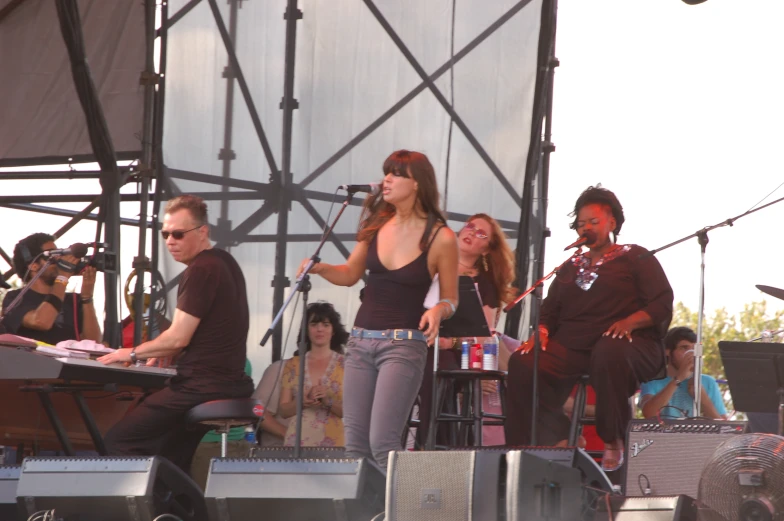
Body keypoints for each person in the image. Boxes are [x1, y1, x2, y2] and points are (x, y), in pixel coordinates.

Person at [298, 149, 458, 469]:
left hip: (402, 345)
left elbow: (451, 298)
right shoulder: (376, 224)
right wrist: (321, 268)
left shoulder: (441, 237)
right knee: (354, 446)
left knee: (382, 444)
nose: (387, 179)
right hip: (359, 343)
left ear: (416, 184)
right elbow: (349, 275)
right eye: (387, 172)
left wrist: (438, 311)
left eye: (397, 173)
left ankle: (398, 514)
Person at [504, 186, 673, 472]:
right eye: (582, 224)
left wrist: (629, 322)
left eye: (594, 221)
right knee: (523, 361)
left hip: (629, 343)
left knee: (609, 350)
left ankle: (613, 440)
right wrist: (542, 331)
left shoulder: (636, 256)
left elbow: (661, 303)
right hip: (575, 346)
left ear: (612, 223)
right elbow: (550, 311)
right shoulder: (570, 266)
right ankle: (548, 439)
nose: (587, 227)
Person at [98, 195, 254, 474]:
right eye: (166, 234)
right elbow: (208, 331)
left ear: (203, 232)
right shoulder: (224, 262)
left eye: (179, 234)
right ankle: (175, 509)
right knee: (170, 453)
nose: (170, 241)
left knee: (119, 441)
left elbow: (178, 337)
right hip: (226, 383)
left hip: (201, 386)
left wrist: (130, 353)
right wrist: (168, 351)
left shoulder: (202, 269)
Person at [417, 213, 516, 448]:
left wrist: (448, 343)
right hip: (422, 343)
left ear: (486, 250)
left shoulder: (485, 283)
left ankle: (432, 443)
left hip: (461, 354)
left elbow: (483, 336)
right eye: (470, 226)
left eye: (481, 233)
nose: (471, 232)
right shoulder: (430, 267)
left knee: (437, 366)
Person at [1, 233, 101, 344]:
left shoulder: (72, 299)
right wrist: (63, 277)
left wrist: (87, 298)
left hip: (69, 361)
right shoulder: (15, 298)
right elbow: (41, 322)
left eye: (60, 254)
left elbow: (93, 343)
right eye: (53, 256)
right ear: (33, 265)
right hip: (31, 360)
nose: (59, 259)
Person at [279, 302, 349, 447]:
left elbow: (352, 413)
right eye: (314, 324)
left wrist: (327, 401)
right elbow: (283, 410)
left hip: (334, 444)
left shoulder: (346, 365)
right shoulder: (293, 364)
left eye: (325, 325)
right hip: (297, 442)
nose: (319, 329)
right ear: (306, 329)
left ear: (333, 330)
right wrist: (302, 402)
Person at [639, 326, 727, 420]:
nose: (691, 354)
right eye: (684, 348)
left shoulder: (708, 382)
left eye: (695, 349)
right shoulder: (653, 381)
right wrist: (678, 379)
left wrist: (703, 398)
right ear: (667, 351)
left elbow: (725, 427)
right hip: (666, 434)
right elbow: (648, 413)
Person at [253, 359, 291, 446]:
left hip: (326, 454)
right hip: (282, 453)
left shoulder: (329, 372)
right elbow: (256, 409)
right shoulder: (281, 368)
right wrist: (289, 436)